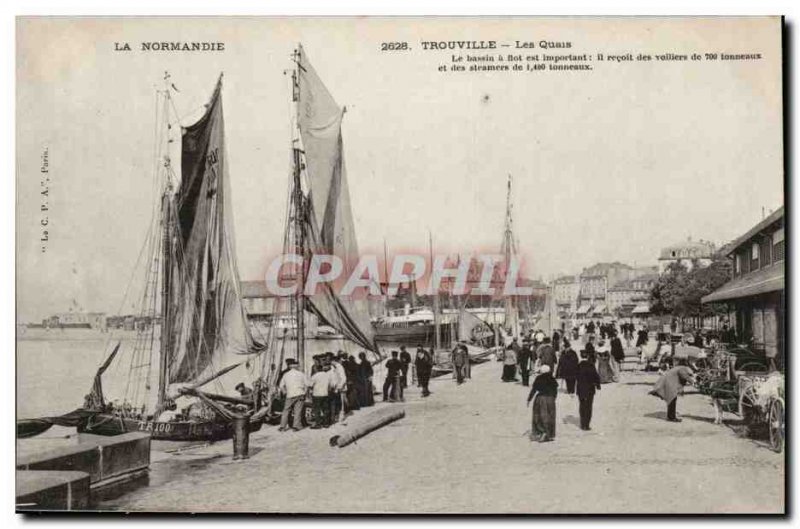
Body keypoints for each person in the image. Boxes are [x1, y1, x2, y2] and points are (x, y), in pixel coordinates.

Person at [527, 365, 558, 442]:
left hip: (541, 398)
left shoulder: (539, 378)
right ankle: (549, 434)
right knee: (550, 415)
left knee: (540, 415)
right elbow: (555, 390)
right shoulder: (552, 378)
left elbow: (534, 390)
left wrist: (529, 399)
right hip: (550, 398)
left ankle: (542, 431)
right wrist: (553, 398)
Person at [278, 359, 307, 432]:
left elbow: (281, 386)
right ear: (296, 366)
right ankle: (296, 427)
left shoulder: (286, 374)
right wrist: (305, 392)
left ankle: (282, 427)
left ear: (290, 366)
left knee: (286, 410)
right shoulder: (301, 374)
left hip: (290, 394)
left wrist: (285, 392)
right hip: (300, 393)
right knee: (298, 411)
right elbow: (307, 384)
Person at [576, 349, 601, 430]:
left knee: (582, 405)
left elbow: (575, 376)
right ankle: (586, 424)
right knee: (589, 406)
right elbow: (595, 376)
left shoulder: (578, 366)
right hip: (590, 388)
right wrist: (598, 385)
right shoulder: (591, 365)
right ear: (587, 356)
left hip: (580, 388)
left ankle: (582, 423)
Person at [310, 363, 334, 428]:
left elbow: (310, 385)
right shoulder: (327, 375)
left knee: (317, 410)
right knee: (326, 409)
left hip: (317, 394)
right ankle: (326, 423)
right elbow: (331, 385)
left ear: (317, 369)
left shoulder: (315, 376)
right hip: (325, 394)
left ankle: (318, 424)